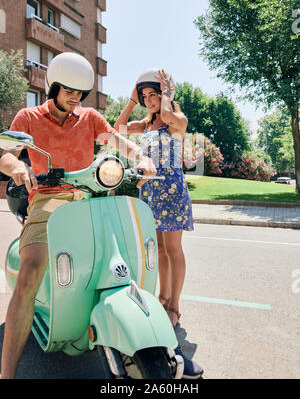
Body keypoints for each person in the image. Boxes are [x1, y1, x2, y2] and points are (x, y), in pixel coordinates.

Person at [0, 52, 156, 379]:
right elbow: (5, 154)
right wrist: (17, 167)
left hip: (91, 199)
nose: (75, 98)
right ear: (53, 86)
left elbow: (119, 142)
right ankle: (7, 373)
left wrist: (142, 157)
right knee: (29, 273)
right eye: (69, 90)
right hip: (47, 203)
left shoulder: (90, 118)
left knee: (125, 260)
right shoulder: (28, 117)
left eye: (80, 93)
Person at [114, 68, 203, 379]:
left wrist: (167, 94)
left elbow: (168, 113)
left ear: (166, 94)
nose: (150, 101)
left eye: (154, 94)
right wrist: (130, 99)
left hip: (173, 192)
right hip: (151, 192)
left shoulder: (176, 119)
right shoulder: (148, 123)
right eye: (146, 97)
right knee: (161, 251)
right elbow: (118, 127)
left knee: (174, 249)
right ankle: (162, 298)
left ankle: (174, 305)